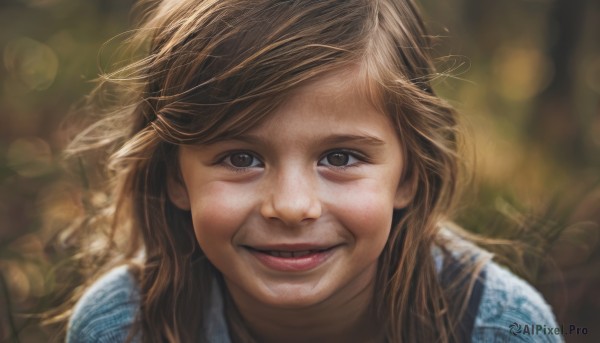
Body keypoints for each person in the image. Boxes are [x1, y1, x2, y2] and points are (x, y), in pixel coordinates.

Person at [63, 0, 562, 342]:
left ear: (409, 174)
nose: (292, 206)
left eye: (340, 158)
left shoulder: (501, 326)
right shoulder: (122, 327)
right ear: (176, 178)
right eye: (241, 158)